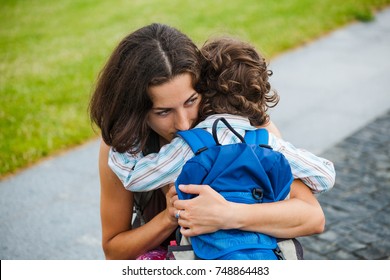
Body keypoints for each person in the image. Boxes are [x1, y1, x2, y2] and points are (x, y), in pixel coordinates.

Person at [89, 23, 331, 260]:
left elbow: (312, 217)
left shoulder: (244, 127)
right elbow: (114, 252)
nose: (183, 124)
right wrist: (169, 217)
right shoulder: (123, 147)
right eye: (163, 112)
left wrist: (228, 214)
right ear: (135, 111)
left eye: (191, 101)